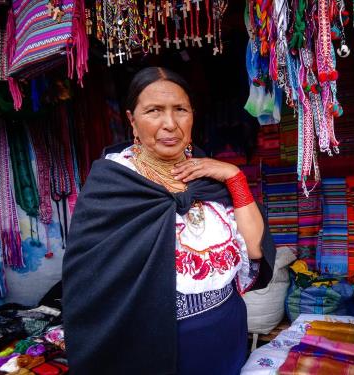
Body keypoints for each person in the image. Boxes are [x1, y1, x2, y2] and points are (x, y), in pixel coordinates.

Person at [62, 67, 275, 374]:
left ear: (193, 116)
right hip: (153, 346)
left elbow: (255, 250)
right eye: (153, 111)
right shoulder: (113, 184)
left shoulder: (210, 175)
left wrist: (234, 177)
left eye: (180, 110)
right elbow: (91, 283)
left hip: (227, 330)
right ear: (132, 120)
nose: (170, 124)